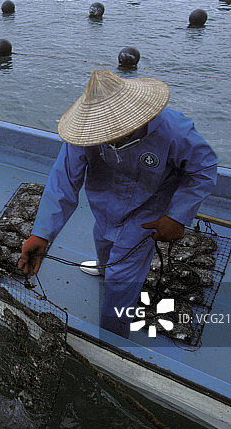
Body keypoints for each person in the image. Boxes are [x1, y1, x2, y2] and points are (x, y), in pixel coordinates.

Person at [18, 69, 218, 338]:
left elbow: (203, 169)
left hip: (148, 212)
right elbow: (63, 181)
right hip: (105, 206)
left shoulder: (174, 130)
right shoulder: (84, 132)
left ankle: (113, 339)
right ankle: (104, 269)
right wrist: (41, 233)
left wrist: (177, 216)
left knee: (121, 278)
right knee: (103, 243)